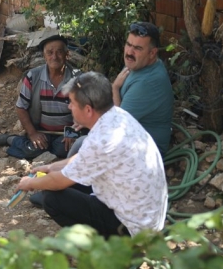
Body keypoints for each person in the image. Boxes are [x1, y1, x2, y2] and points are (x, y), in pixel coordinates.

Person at [15, 72, 168, 238]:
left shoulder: (102, 140)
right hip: (145, 216)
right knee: (62, 179)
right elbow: (83, 161)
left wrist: (31, 183)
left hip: (131, 229)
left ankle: (103, 247)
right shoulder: (116, 115)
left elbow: (58, 182)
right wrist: (51, 167)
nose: (69, 107)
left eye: (72, 103)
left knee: (52, 198)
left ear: (88, 110)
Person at [68, 22, 173, 157]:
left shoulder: (147, 83)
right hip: (129, 136)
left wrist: (115, 88)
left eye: (138, 48)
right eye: (128, 44)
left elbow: (115, 126)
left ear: (152, 53)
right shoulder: (138, 64)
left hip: (144, 151)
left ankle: (62, 176)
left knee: (82, 143)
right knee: (79, 129)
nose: (129, 52)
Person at [0, 35, 80, 160]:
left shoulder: (77, 79)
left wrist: (72, 132)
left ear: (67, 54)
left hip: (65, 132)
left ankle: (47, 148)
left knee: (65, 150)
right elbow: (21, 108)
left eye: (59, 52)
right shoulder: (33, 76)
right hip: (41, 130)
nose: (54, 57)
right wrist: (33, 133)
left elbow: (84, 109)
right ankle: (12, 139)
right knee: (33, 149)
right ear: (44, 56)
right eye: (50, 52)